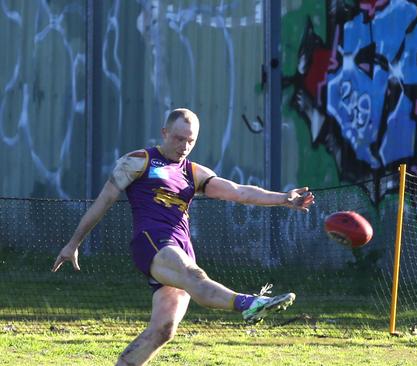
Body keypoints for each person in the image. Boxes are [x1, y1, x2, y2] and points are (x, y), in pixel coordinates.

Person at [51, 108, 314, 366]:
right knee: (195, 276)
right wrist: (73, 242)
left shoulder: (194, 172)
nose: (184, 146)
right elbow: (103, 201)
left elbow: (238, 191)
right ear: (164, 133)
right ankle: (251, 303)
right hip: (153, 241)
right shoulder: (138, 161)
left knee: (163, 330)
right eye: (179, 138)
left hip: (182, 246)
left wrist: (283, 199)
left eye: (191, 141)